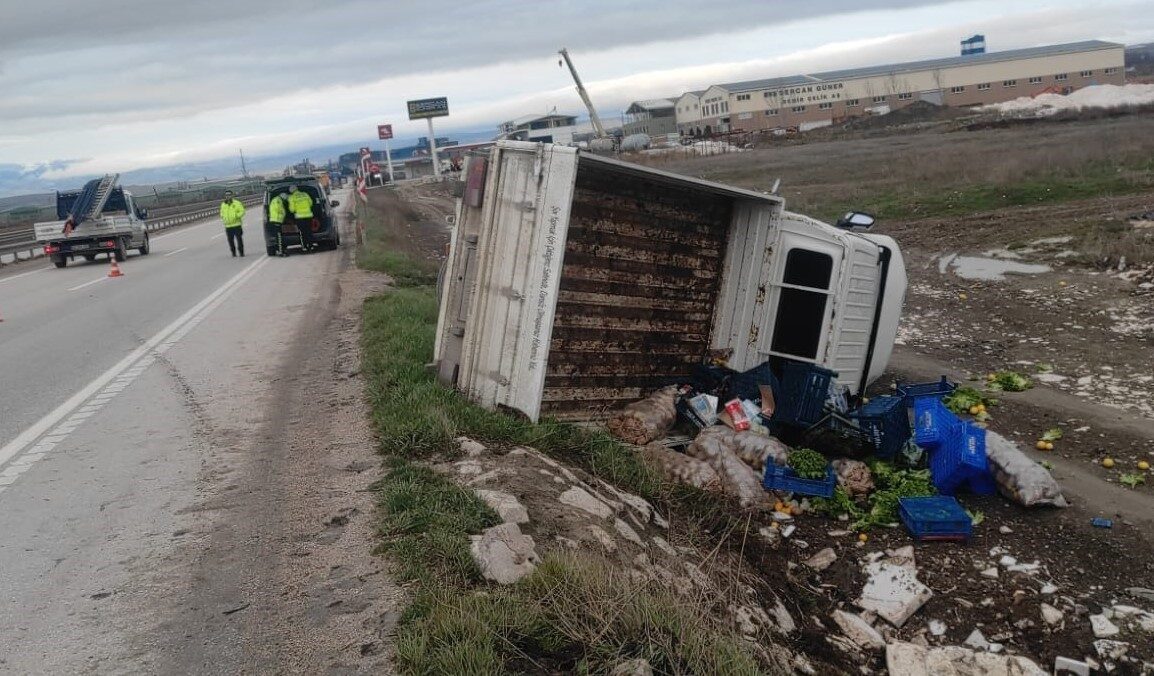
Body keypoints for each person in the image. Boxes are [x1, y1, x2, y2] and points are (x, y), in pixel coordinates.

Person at [287, 185, 315, 252]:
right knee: (309, 231)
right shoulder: (305, 194)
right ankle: (311, 246)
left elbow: (292, 209)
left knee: (302, 232)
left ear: (291, 191)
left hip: (300, 217)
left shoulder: (292, 197)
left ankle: (304, 246)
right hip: (308, 216)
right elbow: (311, 203)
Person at [220, 190, 246, 257]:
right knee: (230, 241)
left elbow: (242, 211)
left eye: (229, 195)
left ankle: (241, 252)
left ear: (232, 195)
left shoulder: (237, 203)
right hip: (228, 226)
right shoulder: (223, 204)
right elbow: (221, 212)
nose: (228, 196)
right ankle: (233, 253)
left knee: (239, 239)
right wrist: (223, 217)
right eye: (226, 195)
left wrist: (236, 216)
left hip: (236, 225)